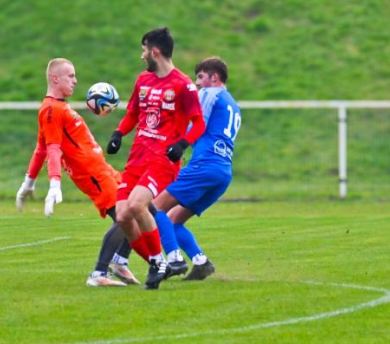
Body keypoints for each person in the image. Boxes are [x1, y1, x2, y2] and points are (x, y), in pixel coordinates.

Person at [15, 58, 139, 287]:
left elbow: (40, 148)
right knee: (125, 216)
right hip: (92, 174)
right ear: (55, 78)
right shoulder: (51, 109)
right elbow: (52, 148)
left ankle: (119, 262)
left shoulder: (59, 106)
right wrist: (54, 184)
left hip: (104, 169)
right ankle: (99, 274)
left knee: (145, 206)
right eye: (70, 76)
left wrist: (28, 182)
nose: (75, 81)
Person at [106, 27, 206, 289]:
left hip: (162, 160)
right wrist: (118, 134)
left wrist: (182, 144)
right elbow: (133, 114)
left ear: (155, 51)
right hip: (137, 157)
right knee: (122, 215)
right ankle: (158, 261)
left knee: (138, 204)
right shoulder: (142, 81)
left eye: (143, 50)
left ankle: (158, 262)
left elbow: (198, 124)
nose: (142, 56)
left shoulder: (183, 85)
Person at [152, 57, 241, 281]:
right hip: (223, 172)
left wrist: (171, 142)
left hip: (204, 166)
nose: (197, 82)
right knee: (174, 220)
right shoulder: (233, 104)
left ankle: (174, 259)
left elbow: (195, 126)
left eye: (201, 76)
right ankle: (201, 262)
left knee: (155, 208)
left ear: (215, 77)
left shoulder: (210, 94)